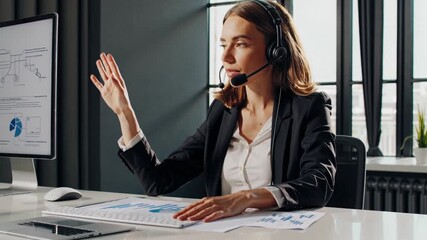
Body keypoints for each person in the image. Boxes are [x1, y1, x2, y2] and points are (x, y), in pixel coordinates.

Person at [90, 0, 336, 223]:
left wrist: (246, 198)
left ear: (277, 50)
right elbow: (158, 180)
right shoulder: (223, 111)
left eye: (240, 44)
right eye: (223, 44)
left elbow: (319, 183)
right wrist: (125, 113)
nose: (226, 56)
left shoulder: (310, 106)